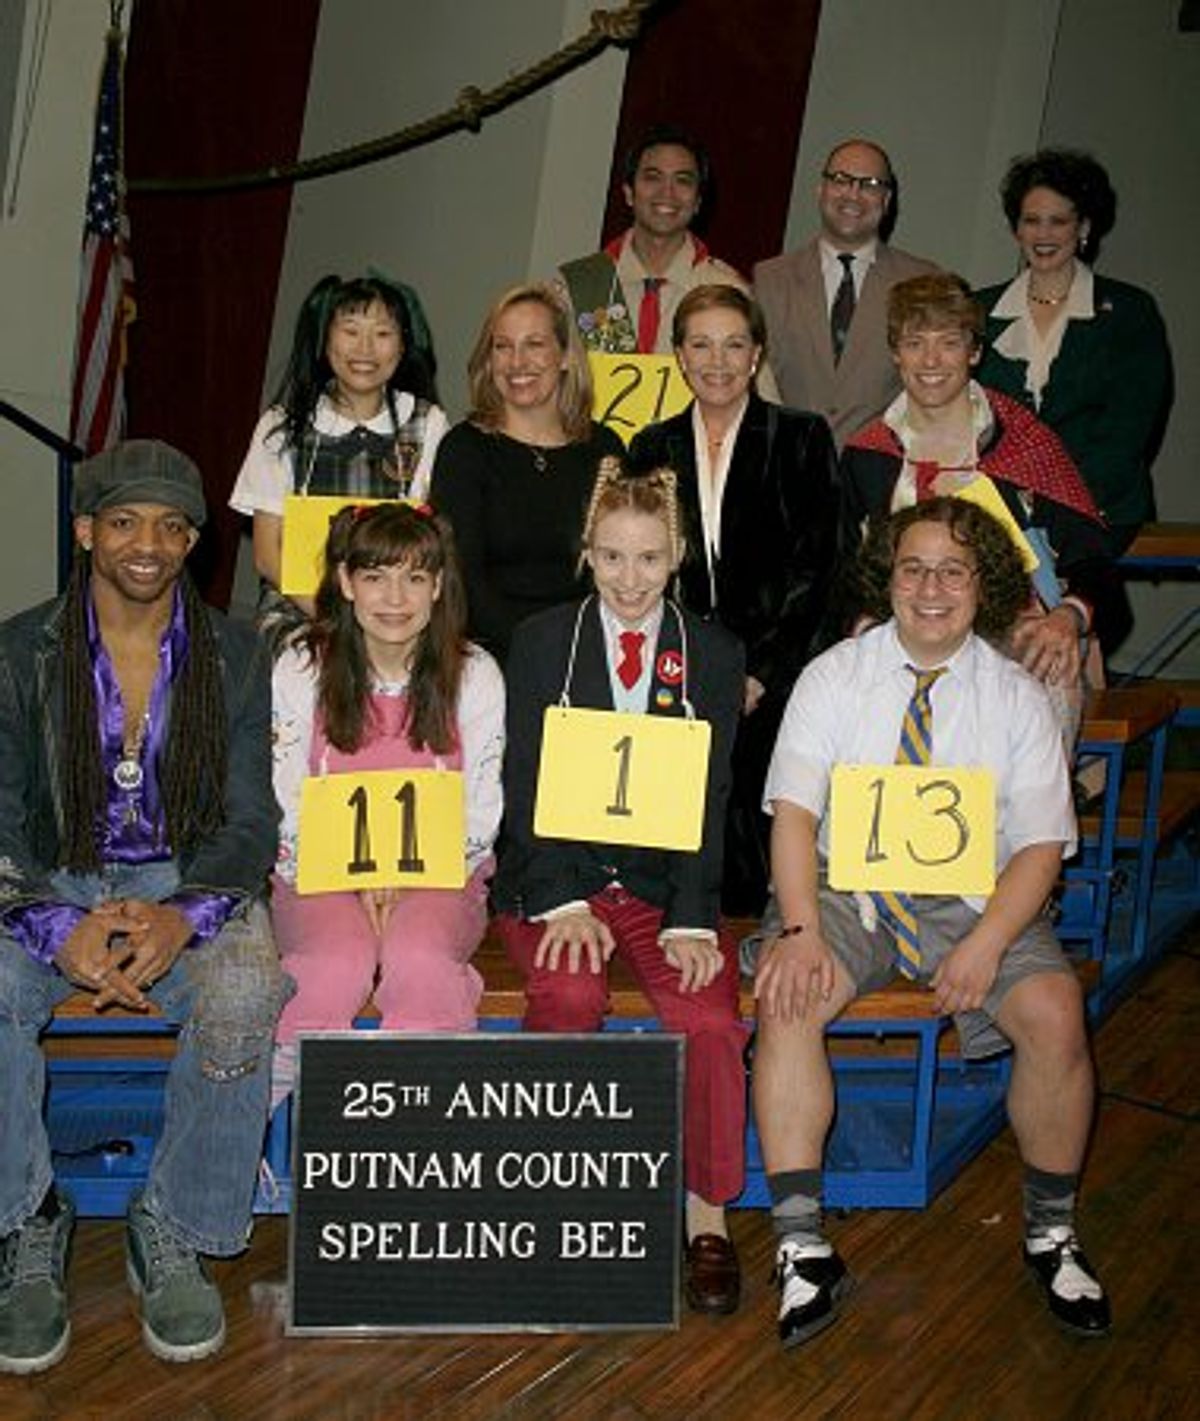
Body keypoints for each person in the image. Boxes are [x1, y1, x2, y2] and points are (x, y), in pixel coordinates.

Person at [751, 496, 1110, 1350]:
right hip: (847, 888)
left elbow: (1041, 845)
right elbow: (794, 816)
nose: (931, 587)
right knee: (788, 997)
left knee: (1056, 1012)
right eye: (913, 567)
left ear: (981, 582)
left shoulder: (1017, 694)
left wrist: (987, 942)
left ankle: (1050, 1231)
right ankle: (801, 1245)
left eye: (953, 569)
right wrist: (799, 929)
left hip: (972, 896)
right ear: (889, 576)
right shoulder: (835, 674)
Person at [0, 441, 288, 1372]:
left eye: (172, 526)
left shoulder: (239, 653)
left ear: (195, 542)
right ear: (86, 531)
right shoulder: (16, 650)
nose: (147, 543)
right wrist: (53, 922)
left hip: (185, 874)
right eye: (124, 520)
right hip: (54, 876)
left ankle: (174, 1220)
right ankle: (24, 1217)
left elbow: (250, 821)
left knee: (245, 984)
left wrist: (183, 916)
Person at [493, 464, 748, 1315]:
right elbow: (523, 784)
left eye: (648, 558)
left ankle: (705, 1212)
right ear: (586, 554)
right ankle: (555, 1200)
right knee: (567, 993)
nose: (630, 579)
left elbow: (708, 797)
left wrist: (690, 916)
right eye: (611, 557)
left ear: (676, 555)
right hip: (560, 876)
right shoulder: (540, 643)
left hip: (659, 885)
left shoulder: (712, 652)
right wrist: (562, 897)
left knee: (708, 1013)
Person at [269, 502, 504, 1103]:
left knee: (419, 957)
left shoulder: (474, 674)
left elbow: (479, 808)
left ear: (437, 587)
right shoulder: (301, 666)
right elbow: (285, 797)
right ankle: (273, 1128)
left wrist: (404, 876)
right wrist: (353, 875)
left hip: (442, 874)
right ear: (345, 583)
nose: (395, 597)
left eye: (414, 577)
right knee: (334, 964)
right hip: (319, 874)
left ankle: (411, 1135)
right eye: (375, 576)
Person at [628, 283, 838, 914]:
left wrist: (756, 672)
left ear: (756, 356)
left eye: (733, 345)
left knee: (752, 836)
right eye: (701, 345)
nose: (717, 362)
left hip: (776, 676)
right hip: (678, 669)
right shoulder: (651, 446)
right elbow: (637, 571)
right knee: (673, 838)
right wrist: (694, 665)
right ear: (679, 356)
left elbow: (820, 569)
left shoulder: (801, 437)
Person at [839, 273, 1116, 714]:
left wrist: (1068, 617)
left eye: (948, 342)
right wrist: (866, 628)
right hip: (905, 628)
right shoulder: (868, 455)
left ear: (975, 351)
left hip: (1016, 633)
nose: (931, 360)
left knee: (1047, 660)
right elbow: (842, 569)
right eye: (914, 343)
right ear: (895, 353)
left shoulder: (1024, 444)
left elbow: (1093, 558)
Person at [230, 271, 448, 646]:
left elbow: (429, 541)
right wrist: (338, 620)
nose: (365, 349)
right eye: (350, 331)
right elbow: (267, 555)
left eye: (382, 334)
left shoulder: (427, 424)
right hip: (298, 611)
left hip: (393, 614)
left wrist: (378, 618)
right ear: (325, 339)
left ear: (402, 345)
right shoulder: (281, 426)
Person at [975, 148, 1172, 559]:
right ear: (1016, 229)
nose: (1043, 235)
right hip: (997, 509)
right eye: (1031, 221)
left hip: (1096, 509)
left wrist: (1051, 498)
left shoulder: (1129, 312)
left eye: (1058, 221)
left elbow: (1127, 431)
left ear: (1083, 227)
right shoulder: (978, 310)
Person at [430, 283, 625, 662]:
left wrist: (582, 649)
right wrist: (537, 648)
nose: (517, 362)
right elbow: (462, 579)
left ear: (566, 355)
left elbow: (620, 570)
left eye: (534, 344)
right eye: (502, 346)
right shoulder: (464, 449)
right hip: (487, 656)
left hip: (590, 652)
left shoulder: (605, 449)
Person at [555, 124, 775, 386]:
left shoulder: (728, 290)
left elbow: (758, 401)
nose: (667, 192)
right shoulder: (576, 286)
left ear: (697, 202)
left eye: (682, 181)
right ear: (628, 193)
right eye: (652, 177)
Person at [754, 138, 938, 448]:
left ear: (887, 199)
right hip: (782, 470)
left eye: (870, 184)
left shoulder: (923, 282)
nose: (853, 194)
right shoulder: (768, 280)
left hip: (878, 473)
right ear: (820, 189)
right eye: (841, 180)